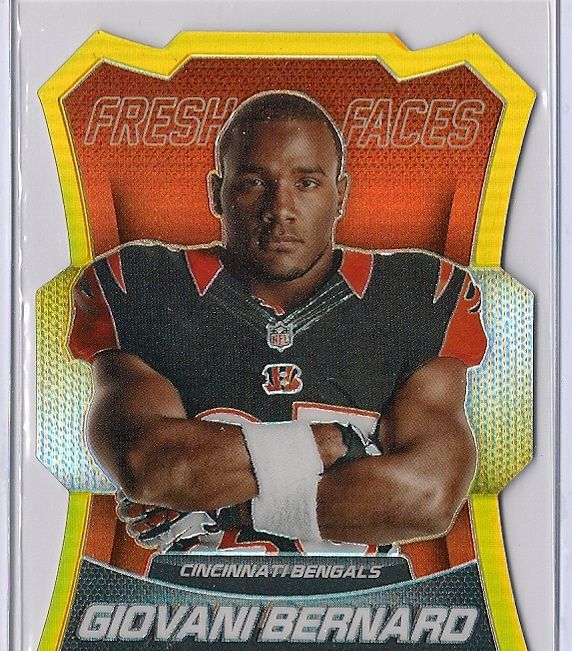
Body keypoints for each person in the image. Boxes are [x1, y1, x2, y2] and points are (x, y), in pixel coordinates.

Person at [69, 91, 487, 557]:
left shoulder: (419, 295)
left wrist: (221, 507)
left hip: (368, 599)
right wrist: (333, 444)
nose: (280, 209)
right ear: (216, 193)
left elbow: (427, 497)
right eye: (253, 183)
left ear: (341, 194)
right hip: (187, 599)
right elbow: (149, 465)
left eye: (306, 182)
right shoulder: (141, 287)